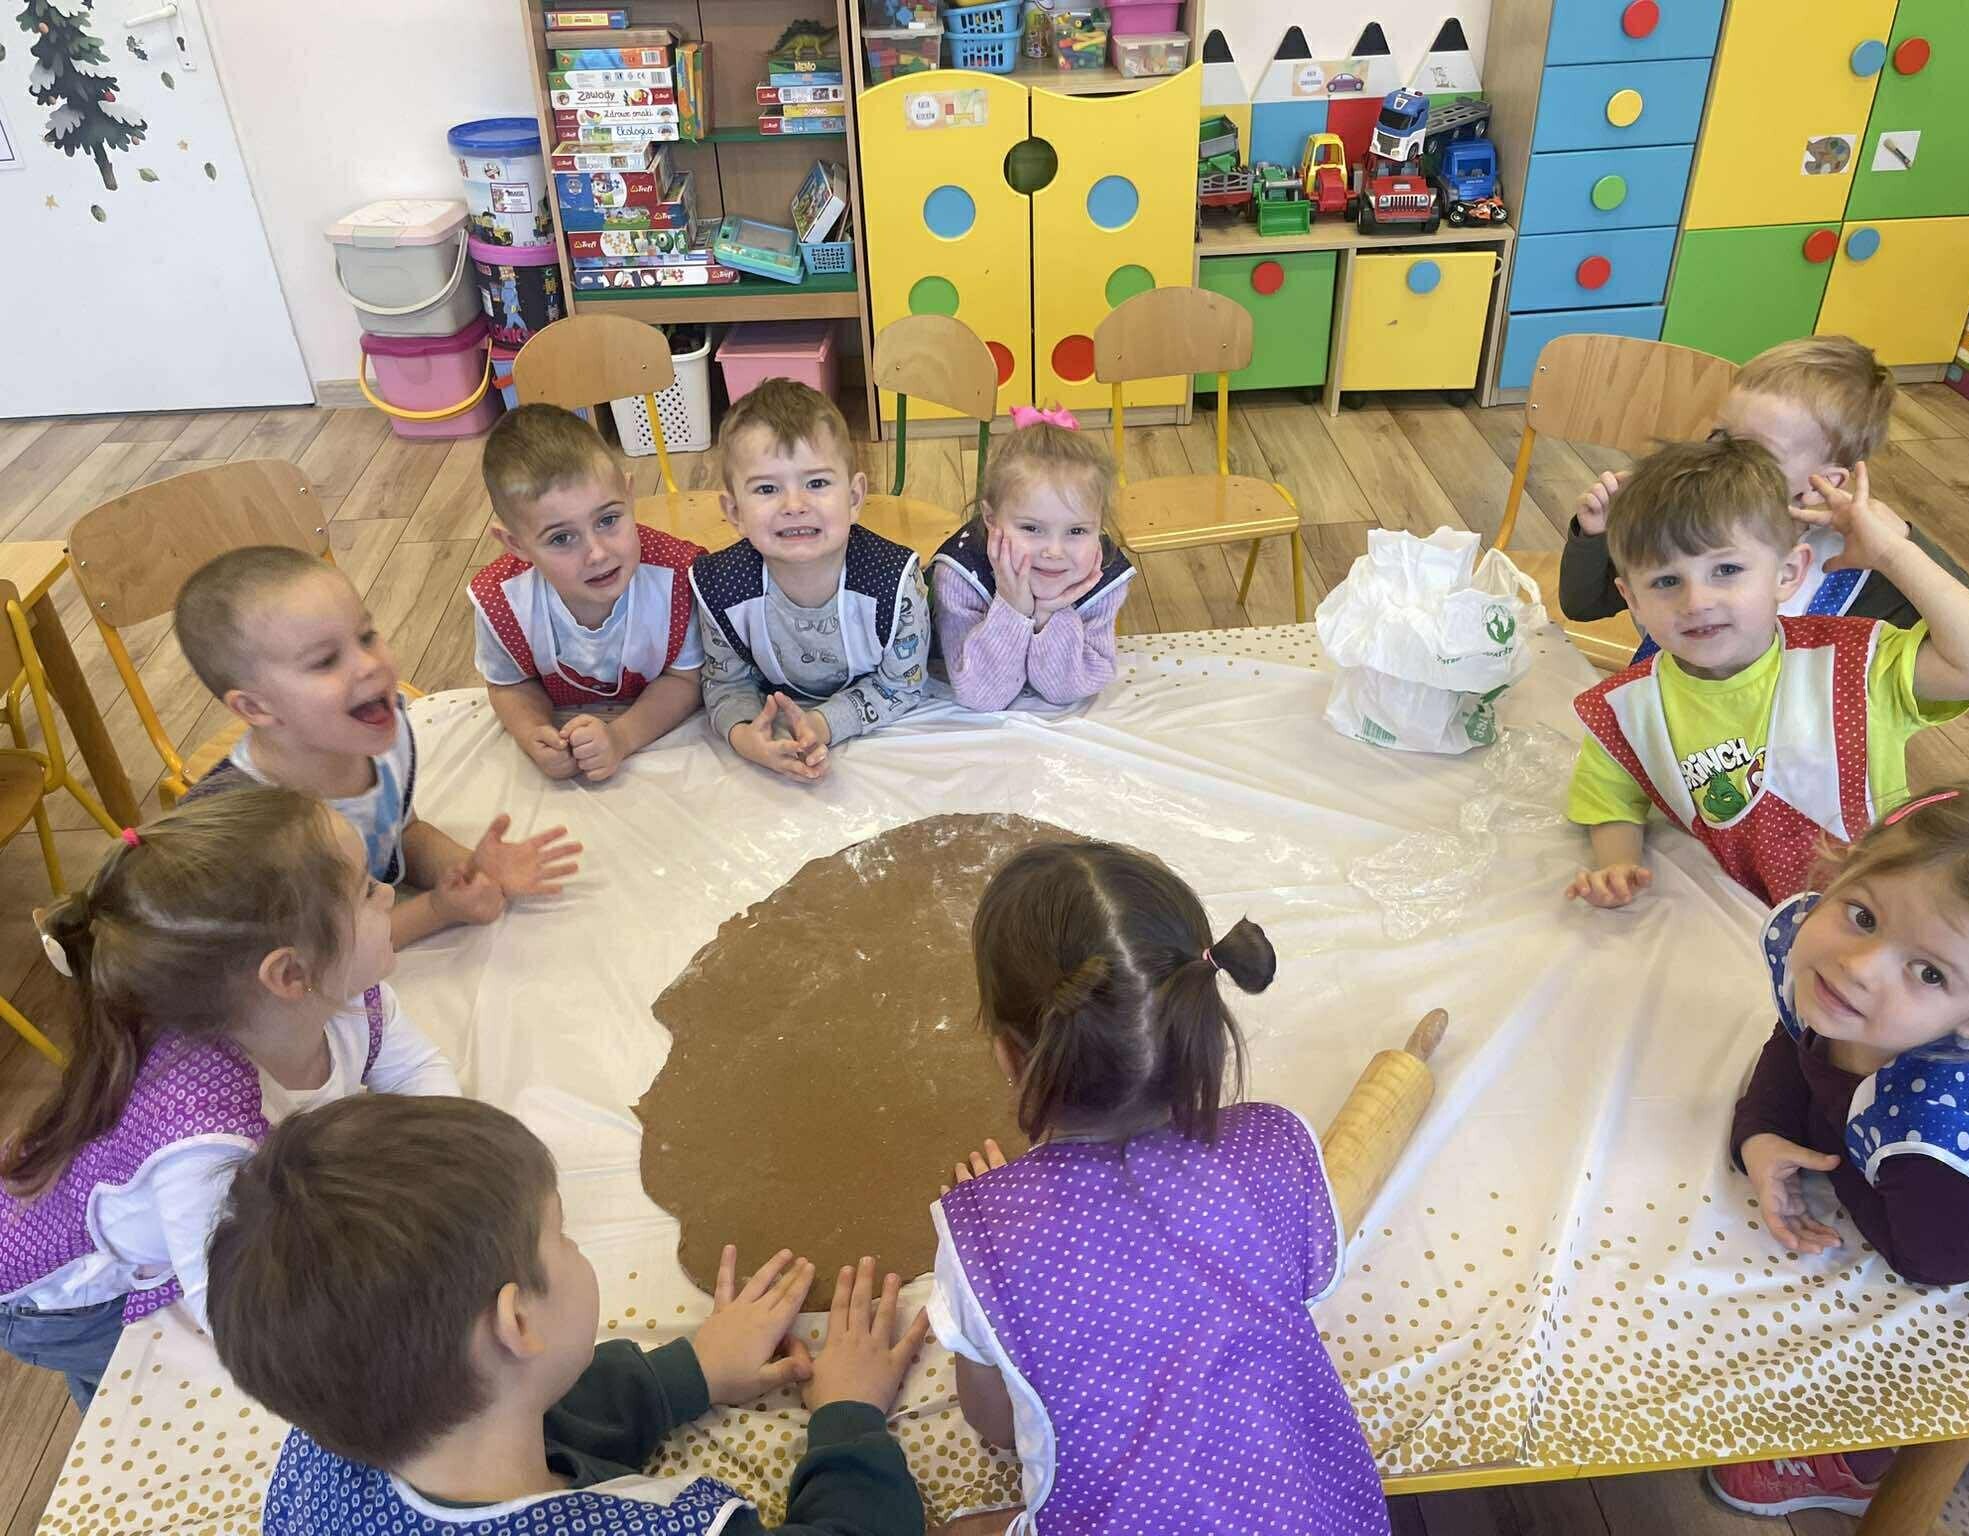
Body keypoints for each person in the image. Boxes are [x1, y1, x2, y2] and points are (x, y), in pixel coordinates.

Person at [207, 1094, 930, 1535]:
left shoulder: (331, 1437)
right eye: (561, 1234)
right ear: (518, 1323)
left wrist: (693, 1372)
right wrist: (849, 1417)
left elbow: (523, 1403)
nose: (577, 1248)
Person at [931, 841, 1389, 1535]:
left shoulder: (988, 1247)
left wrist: (1006, 1221)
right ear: (1201, 1021)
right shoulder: (1277, 1149)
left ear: (1009, 1056)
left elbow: (994, 1424)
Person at [0, 789, 457, 1410]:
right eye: (364, 891)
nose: (387, 894)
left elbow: (419, 1072)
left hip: (175, 1232)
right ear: (289, 974)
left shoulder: (344, 995)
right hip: (70, 1297)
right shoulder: (203, 1137)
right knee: (136, 1391)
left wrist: (445, 1165)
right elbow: (230, 1306)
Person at [1713, 778, 1969, 1517]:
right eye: (1862, 915)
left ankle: (1856, 1461)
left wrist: (1832, 1146)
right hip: (1935, 1189)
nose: (1860, 966)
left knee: (1918, 1343)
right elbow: (1798, 1037)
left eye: (1929, 973)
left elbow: (1939, 1262)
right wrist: (1762, 1131)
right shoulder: (1844, 987)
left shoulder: (1938, 1135)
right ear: (1840, 874)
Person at [1564, 437, 1969, 910]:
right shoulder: (1627, 708)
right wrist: (1617, 866)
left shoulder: (1852, 662)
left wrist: (1892, 552)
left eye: (1726, 570)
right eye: (1666, 581)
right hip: (1744, 924)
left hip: (1883, 915)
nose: (1696, 601)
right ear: (1632, 599)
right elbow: (1610, 798)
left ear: (1787, 574)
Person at [175, 546, 580, 947]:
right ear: (255, 707)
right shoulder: (253, 835)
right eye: (325, 661)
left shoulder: (376, 733)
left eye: (367, 637)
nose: (369, 664)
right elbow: (321, 955)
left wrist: (470, 869)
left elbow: (401, 833)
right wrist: (437, 911)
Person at [1558, 334, 1969, 654]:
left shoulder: (1855, 567)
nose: (1725, 455)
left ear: (1822, 483)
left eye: (1755, 450)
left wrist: (1900, 546)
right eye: (1720, 435)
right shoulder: (1677, 514)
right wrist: (1596, 535)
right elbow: (1584, 605)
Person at [691, 378, 928, 783]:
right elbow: (724, 682)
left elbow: (903, 685)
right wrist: (747, 736)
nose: (794, 505)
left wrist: (821, 724)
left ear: (854, 498)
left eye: (816, 483)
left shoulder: (895, 583)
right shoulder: (722, 589)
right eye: (767, 488)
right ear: (734, 513)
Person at [470, 403, 708, 782]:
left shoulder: (680, 578)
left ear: (629, 496)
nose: (597, 553)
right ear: (515, 544)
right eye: (561, 538)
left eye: (608, 519)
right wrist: (534, 734)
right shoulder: (501, 603)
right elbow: (511, 685)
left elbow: (685, 680)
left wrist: (620, 738)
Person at [929, 406, 1134, 712]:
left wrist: (1049, 614)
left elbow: (1067, 691)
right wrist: (1013, 608)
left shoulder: (1103, 576)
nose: (1054, 551)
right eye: (1032, 528)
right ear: (990, 518)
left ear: (1099, 525)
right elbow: (981, 696)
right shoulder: (960, 576)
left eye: (1077, 530)